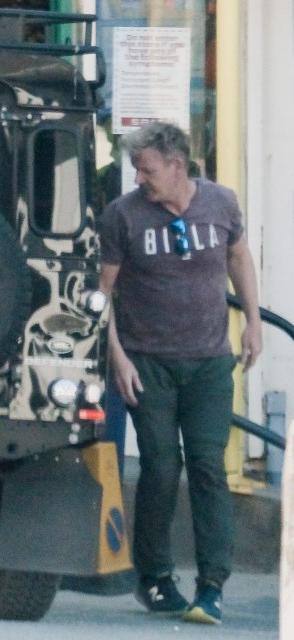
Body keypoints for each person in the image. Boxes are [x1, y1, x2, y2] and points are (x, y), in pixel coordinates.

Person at [97, 121, 262, 625]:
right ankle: (155, 576)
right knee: (162, 469)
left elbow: (238, 256)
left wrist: (253, 322)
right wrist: (117, 357)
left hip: (210, 361)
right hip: (147, 363)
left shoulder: (220, 204)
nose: (138, 178)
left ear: (177, 166)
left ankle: (212, 583)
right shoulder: (122, 216)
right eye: (135, 169)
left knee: (209, 466)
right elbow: (101, 294)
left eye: (146, 170)